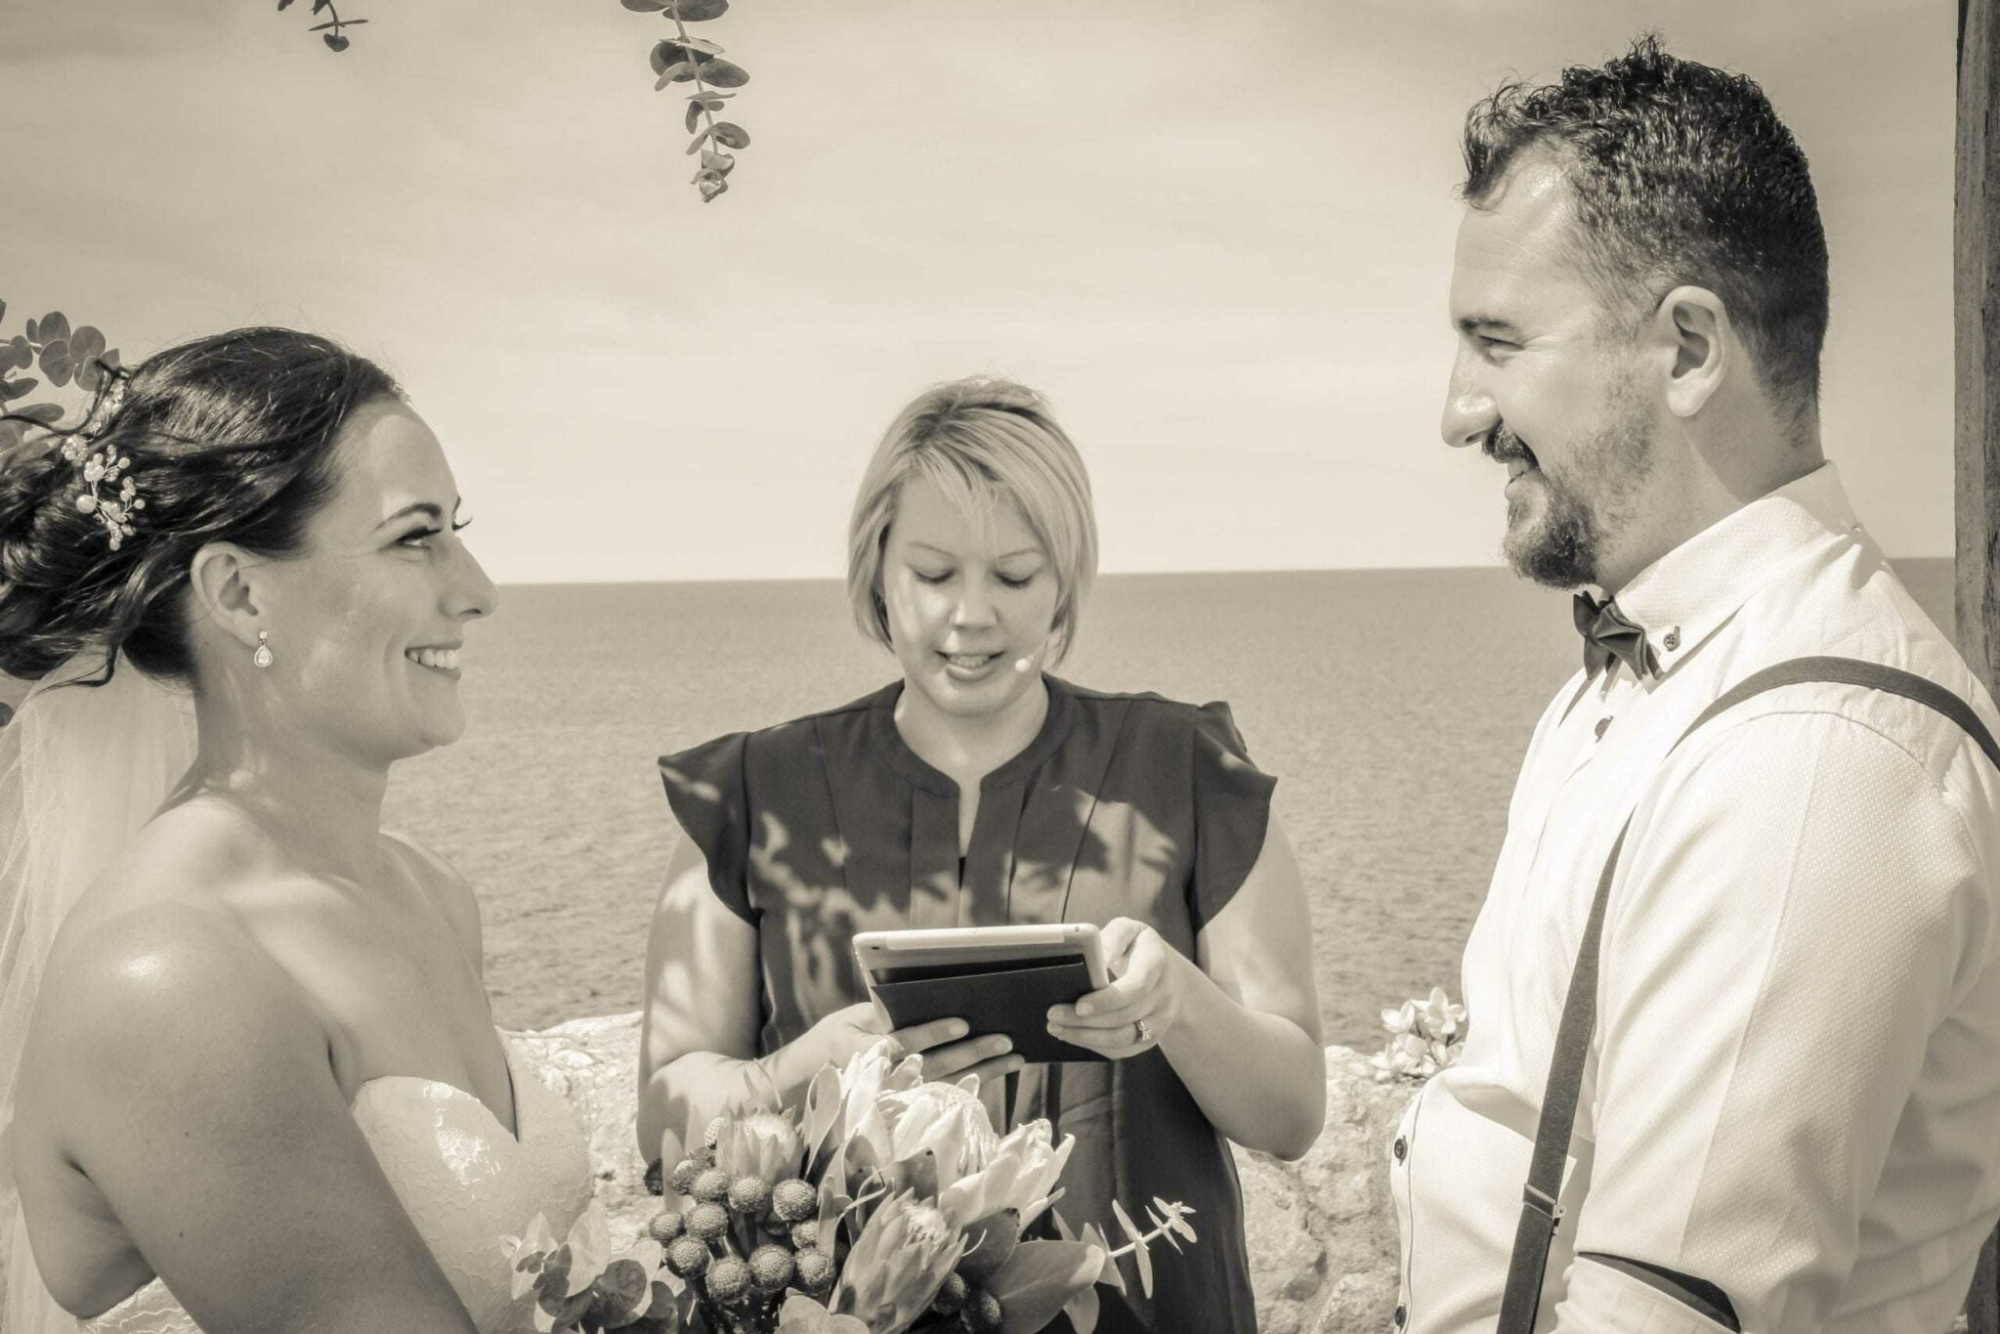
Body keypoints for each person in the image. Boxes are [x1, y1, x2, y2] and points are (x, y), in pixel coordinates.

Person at [1395, 36, 2000, 1334]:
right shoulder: (1641, 679)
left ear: (1685, 350)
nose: (1457, 410)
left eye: (1496, 342)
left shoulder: (1814, 750)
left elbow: (1662, 1313)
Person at [637, 376, 1325, 1332]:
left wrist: (1182, 1006)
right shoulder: (755, 793)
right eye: (933, 574)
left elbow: (1292, 1114)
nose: (971, 617)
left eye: (1014, 576)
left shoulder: (1189, 771)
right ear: (876, 568)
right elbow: (660, 1125)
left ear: (1065, 581)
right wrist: (807, 1067)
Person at [0, 328, 592, 1334]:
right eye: (416, 535)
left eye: (456, 526)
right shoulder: (170, 974)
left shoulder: (429, 894)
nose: (477, 588)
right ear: (238, 592)